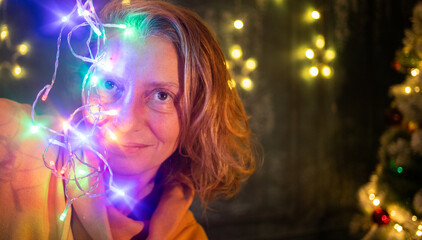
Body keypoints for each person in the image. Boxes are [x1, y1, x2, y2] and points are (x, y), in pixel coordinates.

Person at [0, 0, 258, 239]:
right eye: (110, 83)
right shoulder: (15, 141)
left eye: (161, 95)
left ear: (198, 115)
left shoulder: (187, 236)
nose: (125, 121)